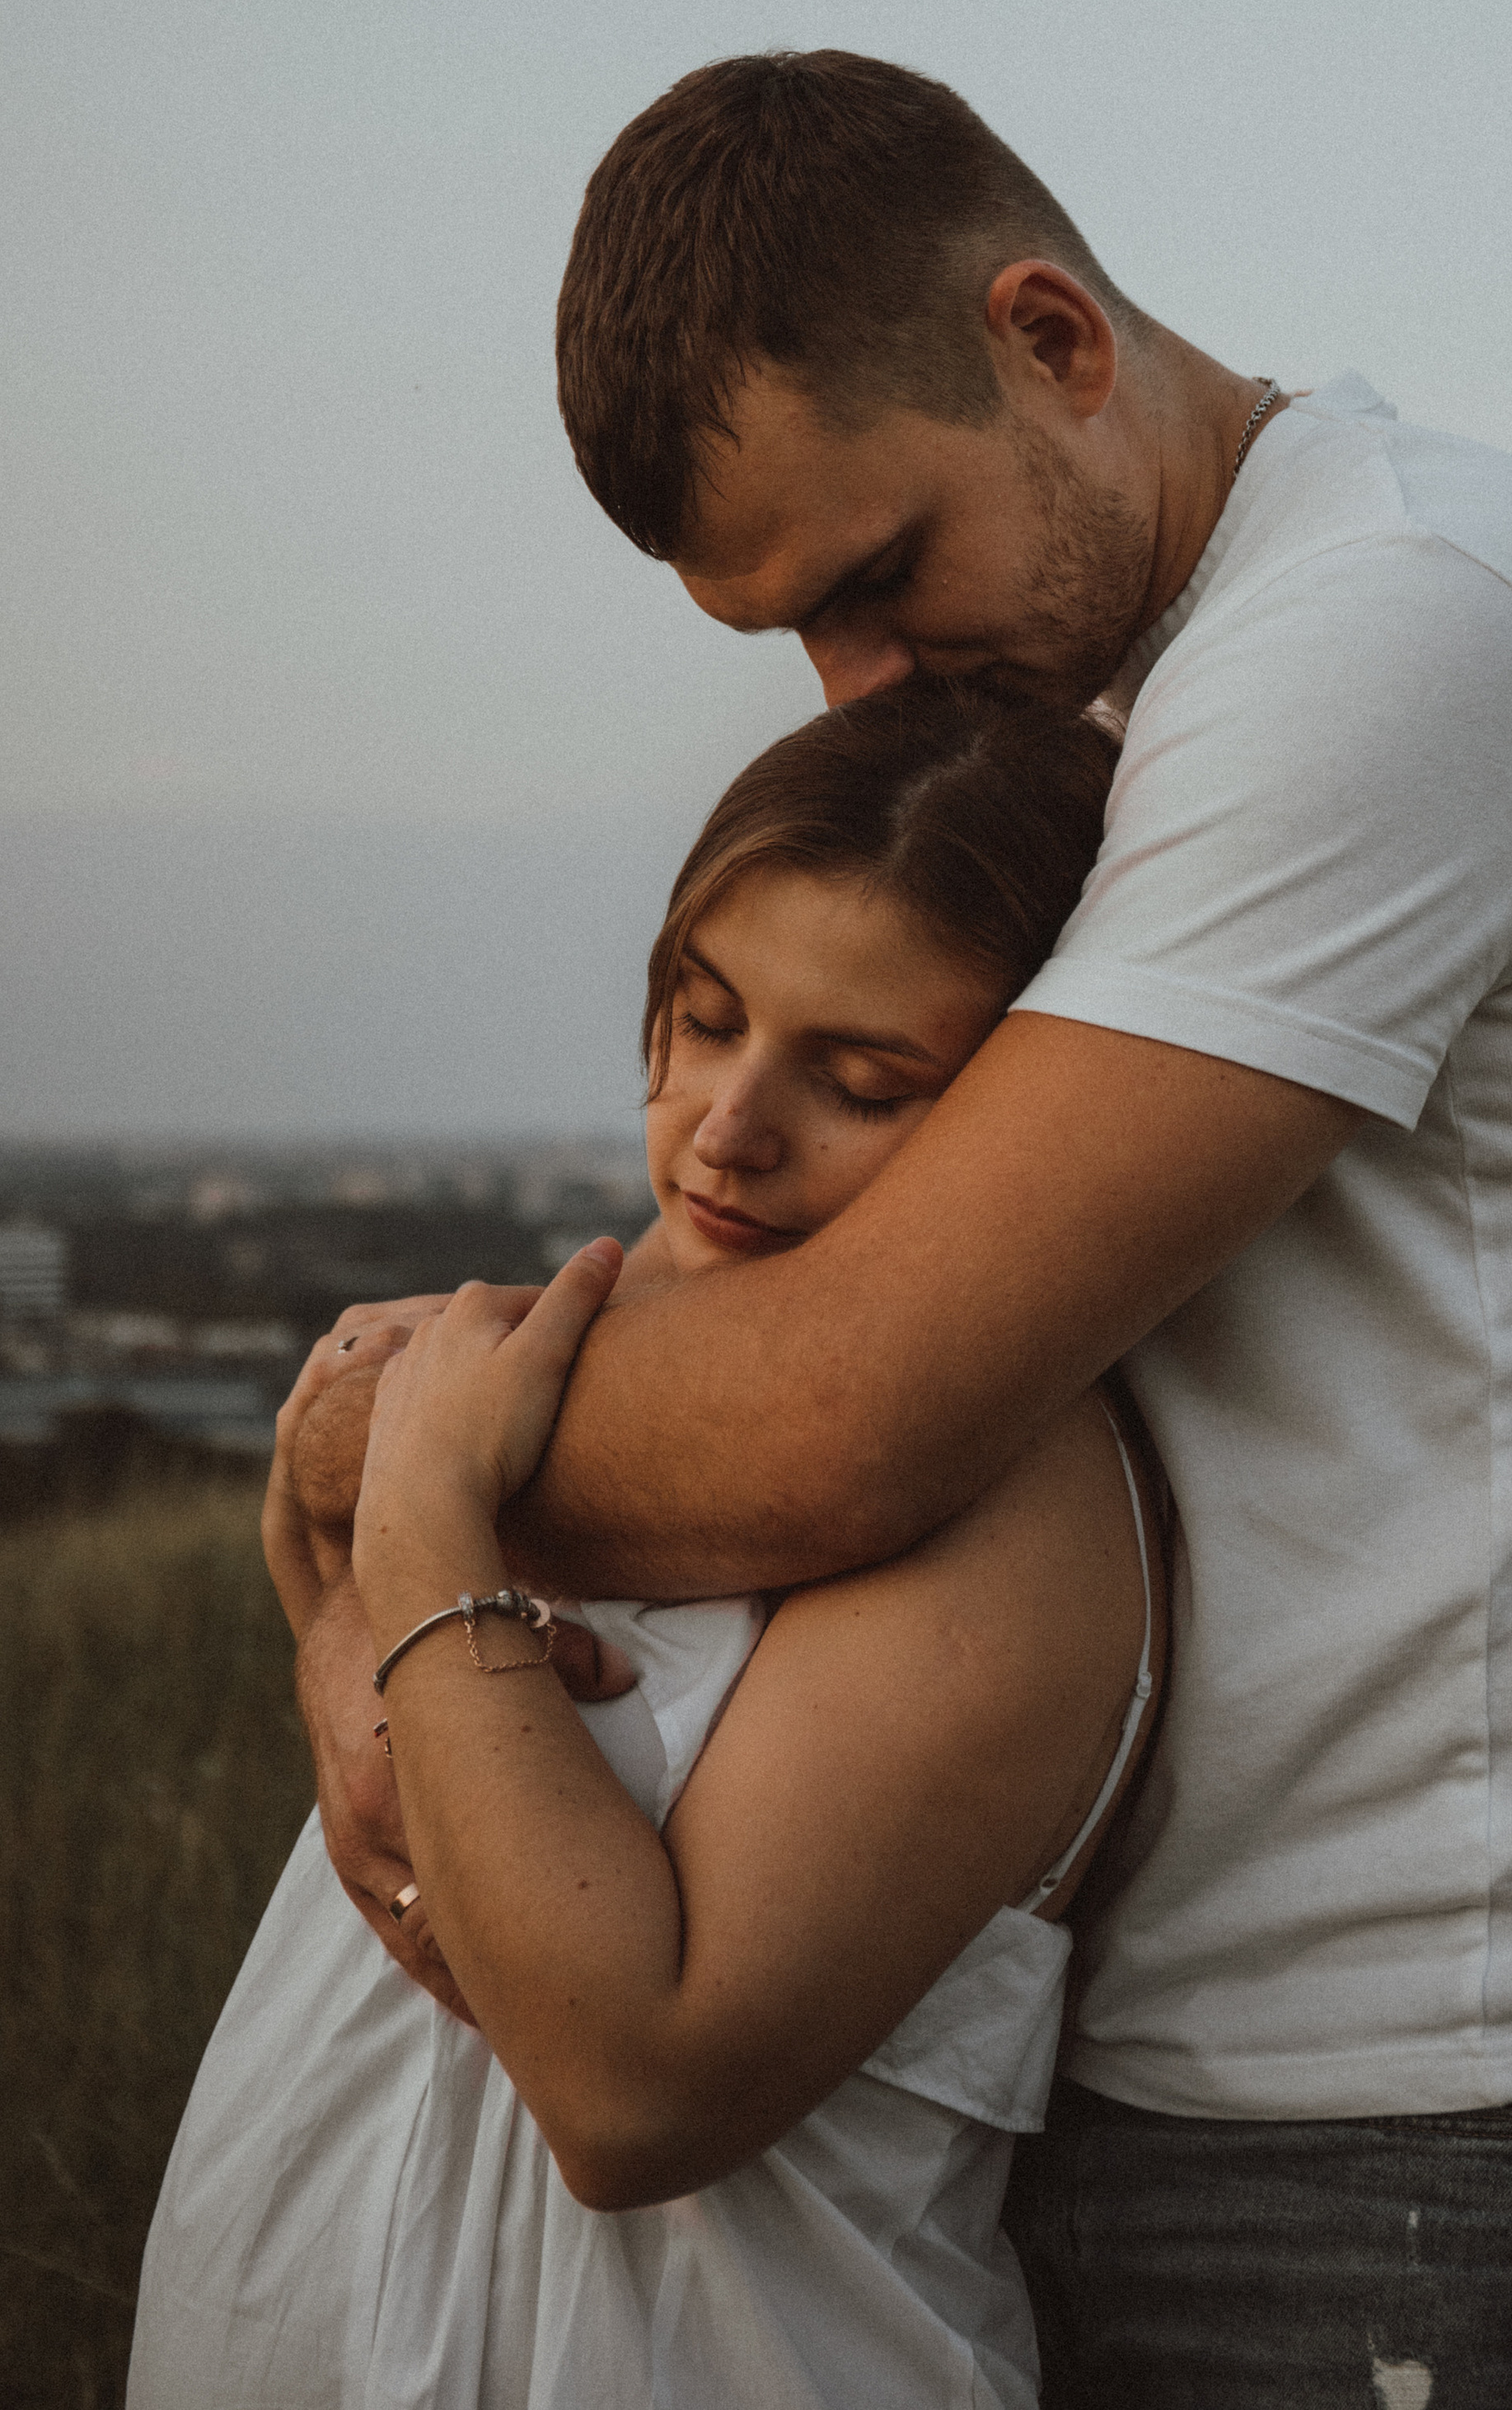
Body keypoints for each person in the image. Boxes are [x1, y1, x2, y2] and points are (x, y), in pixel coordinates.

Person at [290, 50, 1512, 2407]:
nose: (861, 690)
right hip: (1141, 2041)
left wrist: (382, 1477)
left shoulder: (1397, 621)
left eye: (885, 574)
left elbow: (847, 1411)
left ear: (1053, 338)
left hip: (1460, 2082)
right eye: (792, 639)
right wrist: (374, 1548)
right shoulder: (1112, 716)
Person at [129, 680, 1163, 2410]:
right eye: (702, 1019)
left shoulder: (1014, 1504)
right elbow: (335, 1569)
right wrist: (348, 1549)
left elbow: (631, 2100)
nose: (725, 1126)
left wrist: (434, 1533)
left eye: (859, 1081)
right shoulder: (574, 1344)